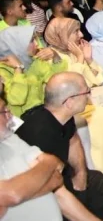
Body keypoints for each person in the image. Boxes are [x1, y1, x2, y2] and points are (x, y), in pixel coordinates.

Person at [16, 73, 103, 221]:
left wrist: (80, 173)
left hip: (60, 180)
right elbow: (53, 194)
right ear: (69, 101)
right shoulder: (40, 133)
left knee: (94, 178)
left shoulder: (62, 116)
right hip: (40, 199)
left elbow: (73, 140)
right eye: (86, 92)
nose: (89, 96)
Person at [42, 18, 103, 182]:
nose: (80, 35)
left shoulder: (72, 52)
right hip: (68, 106)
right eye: (75, 32)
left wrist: (88, 59)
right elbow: (71, 86)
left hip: (84, 100)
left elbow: (96, 80)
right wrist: (80, 58)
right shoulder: (53, 57)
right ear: (61, 35)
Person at [0, 93, 67, 221]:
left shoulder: (10, 138)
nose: (11, 117)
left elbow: (57, 177)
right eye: (4, 112)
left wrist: (22, 190)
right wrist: (50, 162)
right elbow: (12, 195)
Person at [0, 25, 66, 117]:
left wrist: (56, 56)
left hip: (41, 114)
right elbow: (17, 99)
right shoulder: (2, 71)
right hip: (20, 124)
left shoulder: (33, 61)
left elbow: (57, 81)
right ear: (16, 45)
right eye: (31, 41)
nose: (37, 44)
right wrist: (18, 69)